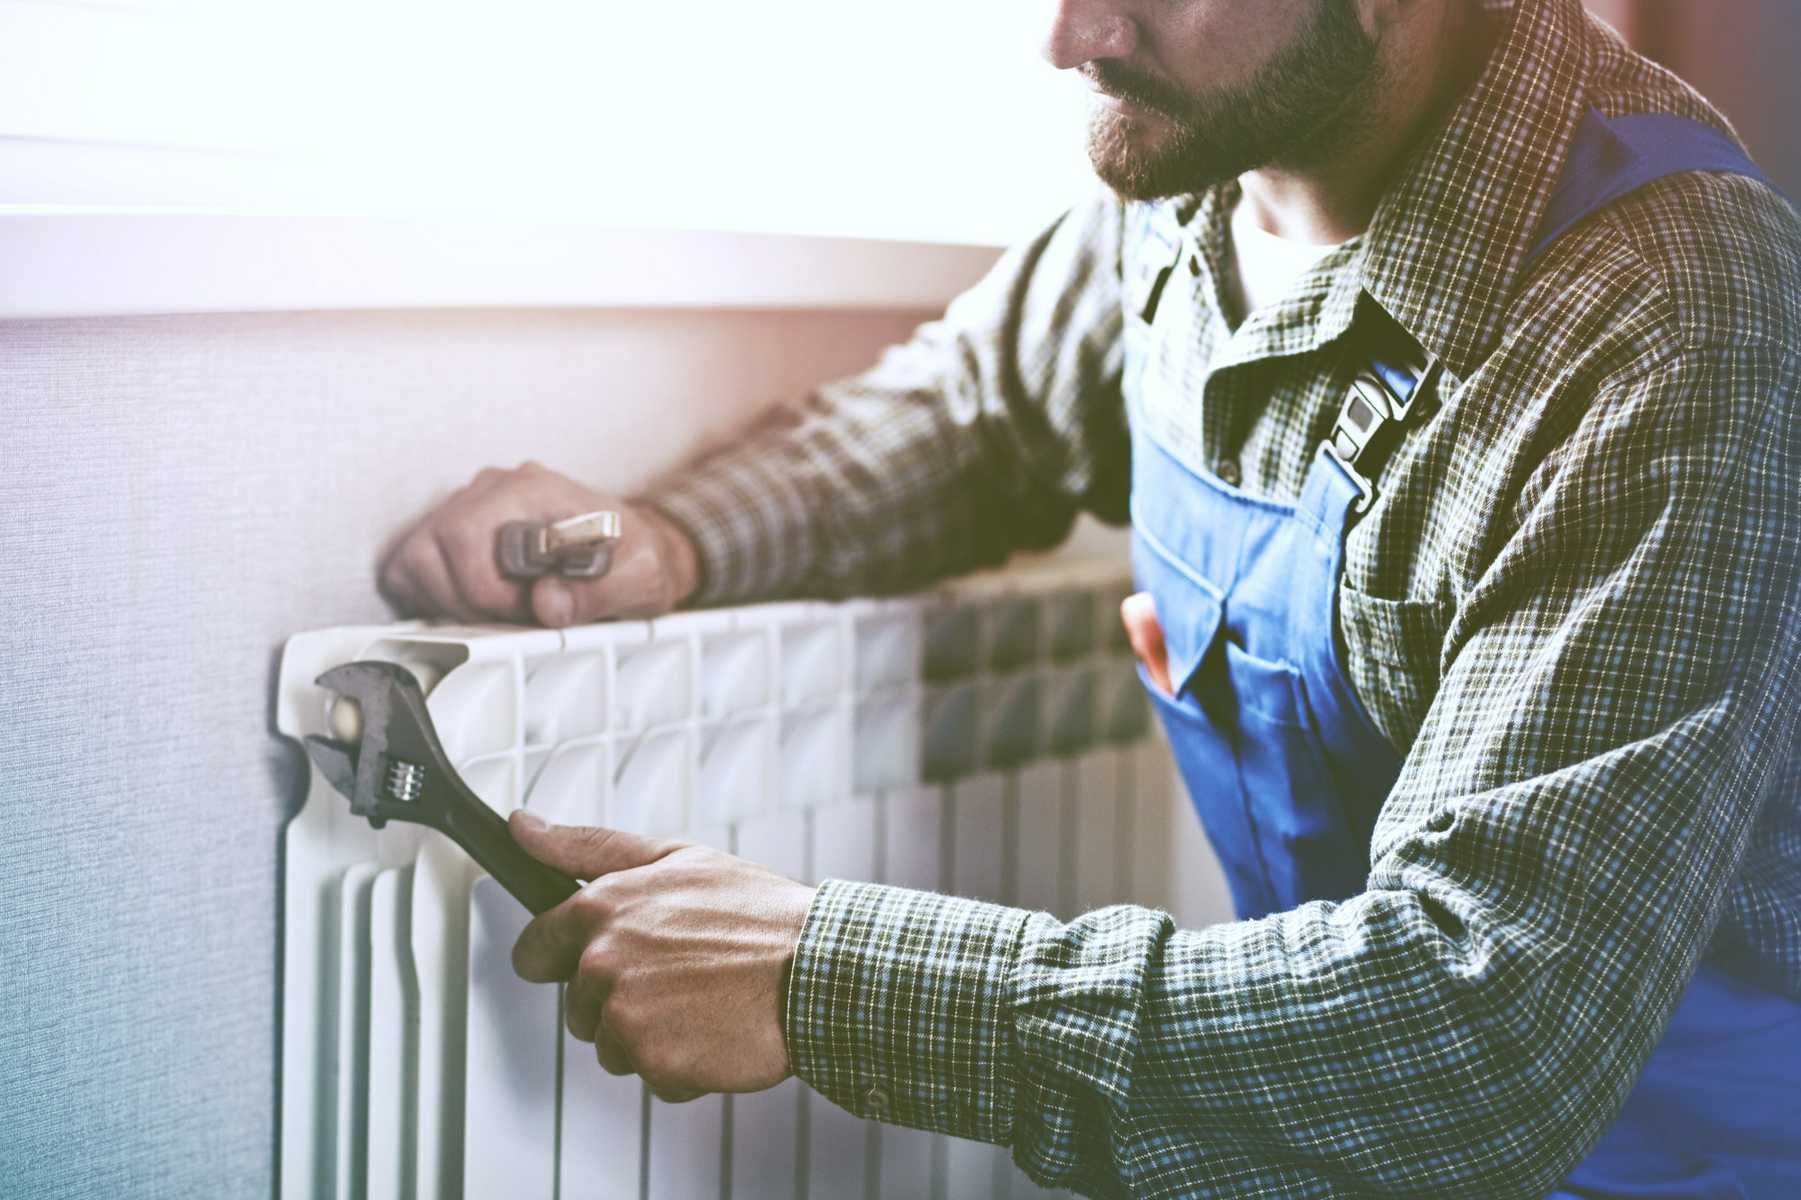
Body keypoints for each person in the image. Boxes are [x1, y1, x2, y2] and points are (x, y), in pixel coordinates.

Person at [377, 0, 1801, 1194]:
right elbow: (971, 413)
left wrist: (825, 974)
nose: (1068, 35)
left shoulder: (1672, 315)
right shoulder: (1197, 175)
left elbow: (1490, 1025)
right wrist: (671, 537)